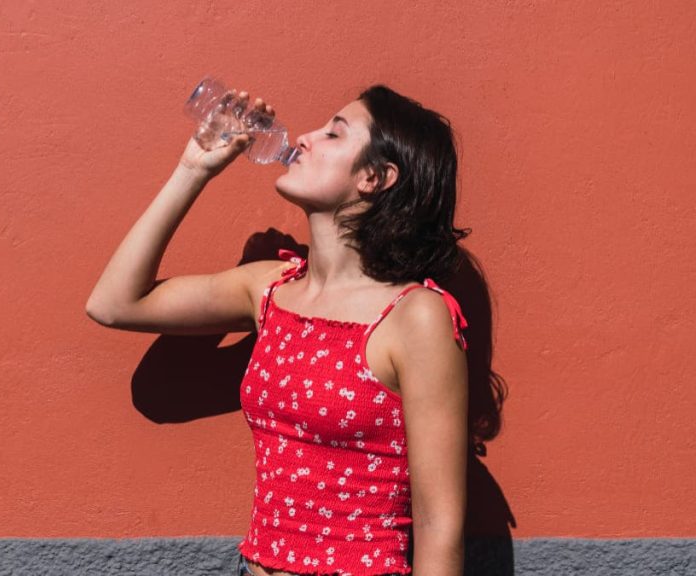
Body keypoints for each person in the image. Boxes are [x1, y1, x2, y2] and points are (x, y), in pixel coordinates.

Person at [86, 84, 470, 576]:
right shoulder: (269, 288)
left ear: (376, 176)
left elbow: (439, 525)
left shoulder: (414, 316)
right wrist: (193, 169)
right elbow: (115, 303)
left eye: (334, 132)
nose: (306, 138)